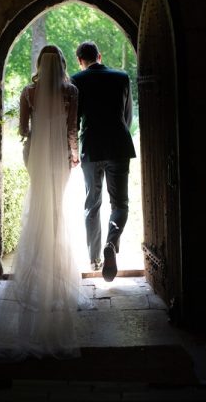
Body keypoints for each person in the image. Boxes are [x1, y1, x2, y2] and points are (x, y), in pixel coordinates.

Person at [0, 45, 81, 361]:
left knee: (39, 203)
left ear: (41, 64)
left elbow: (23, 130)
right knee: (57, 207)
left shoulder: (30, 91)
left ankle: (38, 255)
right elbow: (72, 130)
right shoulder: (71, 91)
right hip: (59, 158)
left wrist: (34, 138)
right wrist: (73, 154)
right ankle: (55, 257)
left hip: (37, 157)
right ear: (64, 63)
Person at [71, 41, 136, 282]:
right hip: (119, 146)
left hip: (91, 148)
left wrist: (74, 150)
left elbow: (74, 120)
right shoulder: (121, 77)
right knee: (120, 204)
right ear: (99, 56)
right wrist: (119, 137)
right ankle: (111, 242)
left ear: (80, 60)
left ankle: (95, 258)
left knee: (92, 204)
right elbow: (127, 117)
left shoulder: (77, 80)